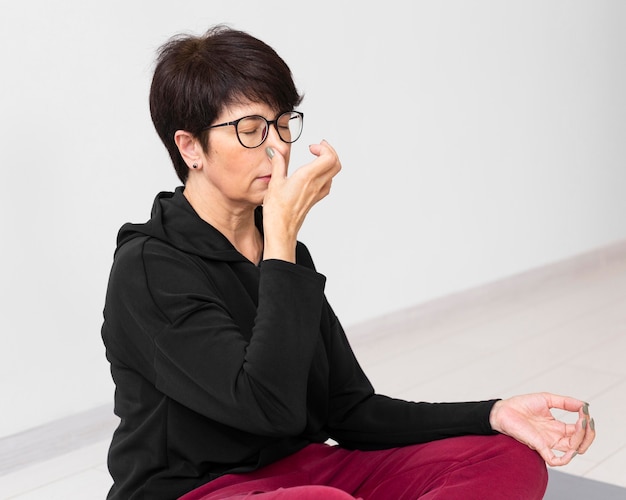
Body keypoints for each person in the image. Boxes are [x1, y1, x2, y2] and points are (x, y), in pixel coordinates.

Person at [101, 25, 595, 500]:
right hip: (200, 490)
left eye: (282, 124)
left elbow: (350, 409)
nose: (277, 148)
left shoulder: (283, 251)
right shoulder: (149, 267)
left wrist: (493, 413)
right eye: (251, 130)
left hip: (312, 470)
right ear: (190, 147)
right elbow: (264, 407)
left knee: (506, 458)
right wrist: (281, 242)